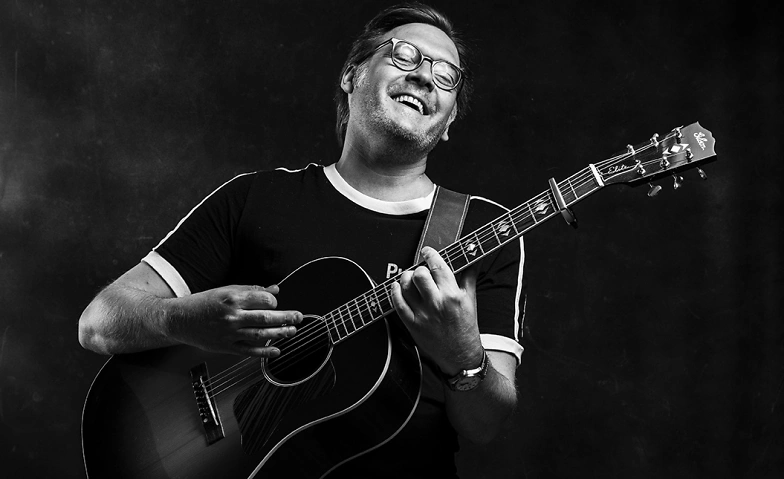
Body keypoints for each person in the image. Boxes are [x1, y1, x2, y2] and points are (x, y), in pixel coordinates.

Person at [79, 3, 525, 477]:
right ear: (352, 76)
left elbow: (484, 425)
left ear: (450, 121)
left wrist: (463, 357)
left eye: (445, 75)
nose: (424, 77)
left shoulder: (482, 230)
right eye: (404, 55)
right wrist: (182, 320)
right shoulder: (255, 197)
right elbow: (98, 323)